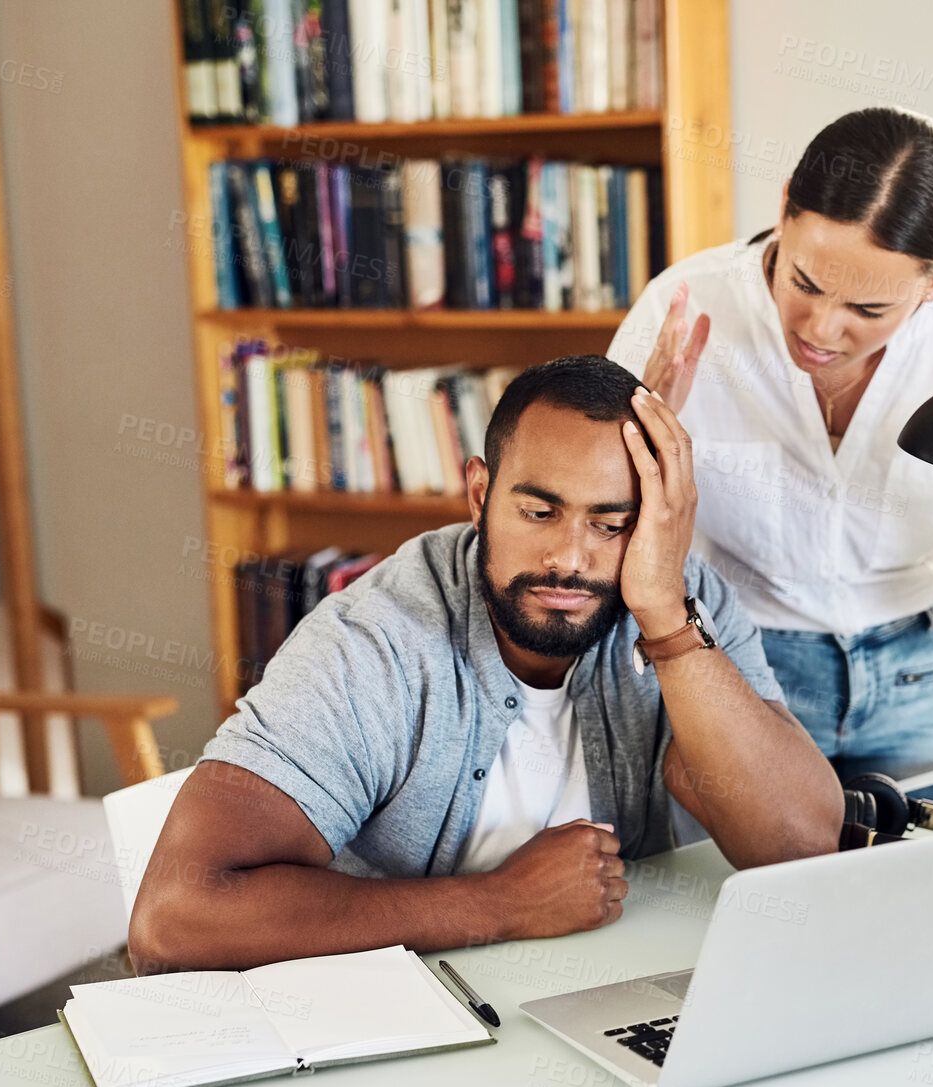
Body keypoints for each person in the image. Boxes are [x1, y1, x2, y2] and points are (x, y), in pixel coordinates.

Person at [128, 356, 843, 974]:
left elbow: (799, 845)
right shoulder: (375, 643)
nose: (569, 557)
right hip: (402, 1026)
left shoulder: (685, 608)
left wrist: (668, 625)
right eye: (539, 513)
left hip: (604, 1001)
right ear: (480, 494)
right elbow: (173, 917)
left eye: (610, 524)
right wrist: (497, 904)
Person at [609, 106, 933, 782]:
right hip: (744, 667)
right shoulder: (681, 310)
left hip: (930, 675)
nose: (822, 330)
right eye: (805, 283)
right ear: (784, 211)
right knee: (742, 886)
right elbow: (599, 535)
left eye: (868, 310)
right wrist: (649, 443)